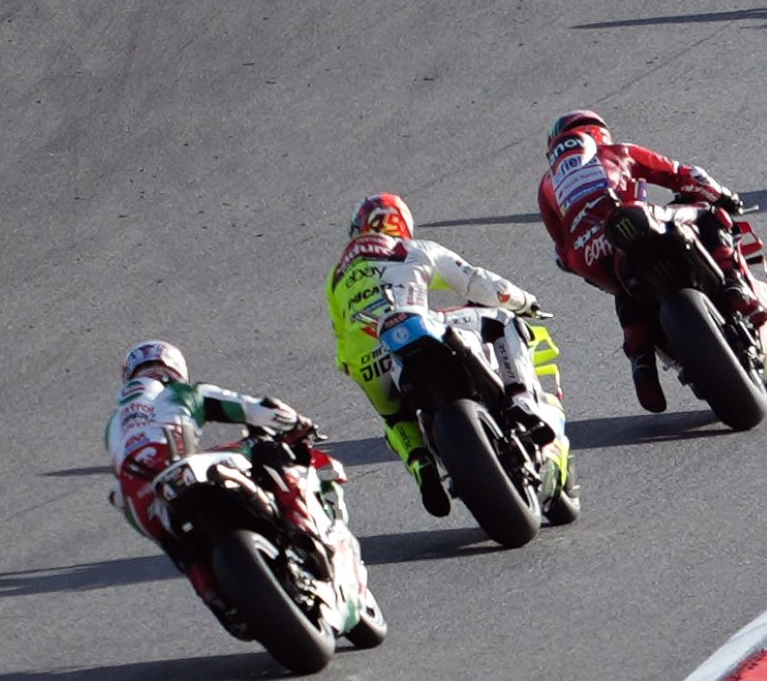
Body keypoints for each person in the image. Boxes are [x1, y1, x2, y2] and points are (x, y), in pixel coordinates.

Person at [106, 338, 385, 646]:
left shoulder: (115, 424)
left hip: (139, 501)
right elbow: (250, 407)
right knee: (268, 450)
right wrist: (296, 423)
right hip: (183, 470)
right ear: (174, 369)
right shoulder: (179, 392)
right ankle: (302, 531)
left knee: (184, 551)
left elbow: (119, 490)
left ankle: (216, 599)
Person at [324, 191, 548, 518]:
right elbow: (480, 284)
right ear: (401, 224)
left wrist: (357, 365)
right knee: (502, 320)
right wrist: (525, 301)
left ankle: (421, 466)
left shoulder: (336, 278)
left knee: (394, 417)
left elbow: (341, 344)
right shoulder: (412, 249)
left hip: (368, 359)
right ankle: (521, 401)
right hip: (417, 325)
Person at [536, 108, 767, 414]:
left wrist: (582, 256)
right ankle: (735, 288)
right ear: (597, 133)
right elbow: (682, 175)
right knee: (710, 215)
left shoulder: (547, 186)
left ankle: (641, 360)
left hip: (588, 255)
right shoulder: (616, 151)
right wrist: (723, 196)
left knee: (623, 290)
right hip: (635, 220)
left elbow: (560, 251)